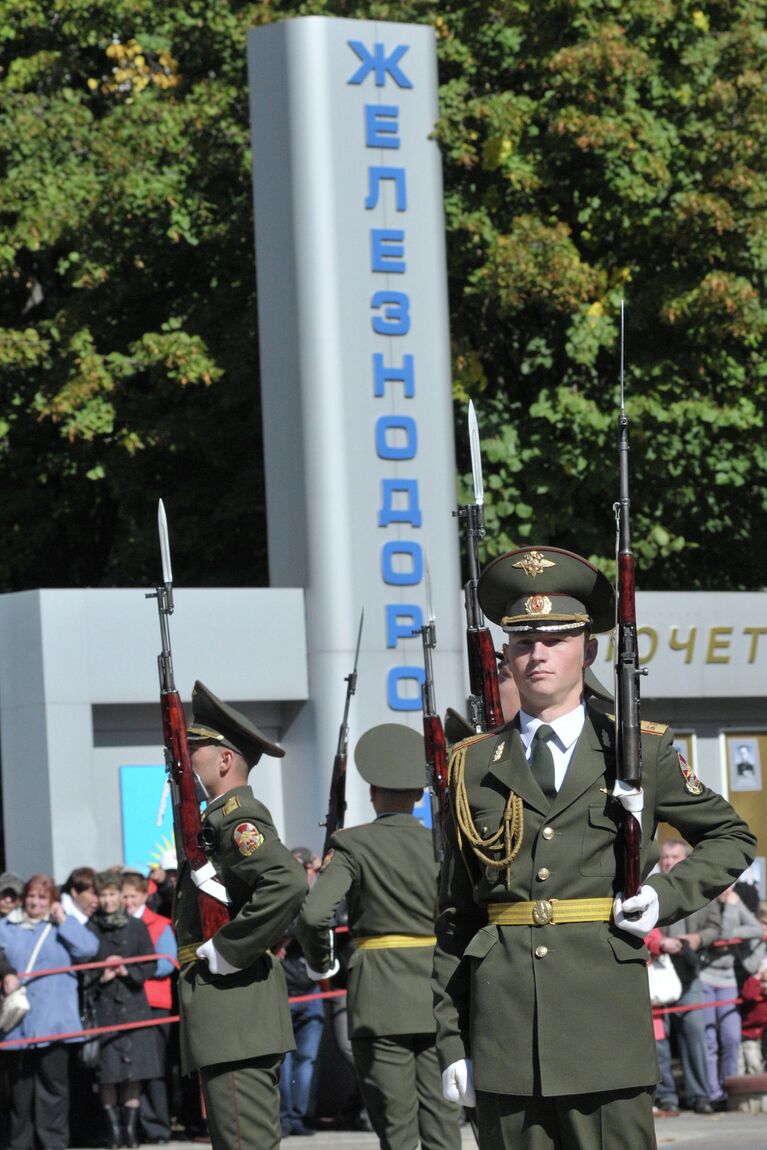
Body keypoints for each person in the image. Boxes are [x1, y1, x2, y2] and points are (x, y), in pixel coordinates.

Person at [433, 545, 757, 1150]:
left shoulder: (640, 750)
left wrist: (663, 897)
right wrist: (453, 1039)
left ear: (588, 647)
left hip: (603, 1031)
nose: (538, 655)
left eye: (555, 638)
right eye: (523, 641)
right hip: (504, 1034)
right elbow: (456, 915)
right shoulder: (473, 765)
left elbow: (733, 836)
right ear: (505, 652)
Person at [298, 723, 462, 1150]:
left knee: (396, 1128)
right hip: (438, 992)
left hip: (379, 997)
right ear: (419, 794)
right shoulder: (441, 844)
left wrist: (321, 963)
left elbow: (315, 914)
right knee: (444, 1127)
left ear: (372, 792)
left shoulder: (353, 845)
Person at [174, 681, 307, 1150]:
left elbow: (287, 881)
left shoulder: (235, 818)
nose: (186, 759)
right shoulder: (216, 820)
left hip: (234, 1008)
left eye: (196, 749)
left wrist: (230, 948)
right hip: (229, 1013)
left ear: (225, 759)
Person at [0, 873, 100, 1150]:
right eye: (31, 896)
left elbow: (89, 949)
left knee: (53, 1090)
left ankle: (52, 1143)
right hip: (16, 1024)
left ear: (53, 901)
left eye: (42, 897)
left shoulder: (62, 926)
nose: (34, 902)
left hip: (54, 1023)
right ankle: (21, 1144)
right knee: (19, 1093)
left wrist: (63, 920)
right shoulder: (5, 926)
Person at [87, 870, 161, 1149]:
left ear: (121, 896)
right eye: (103, 894)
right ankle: (114, 1132)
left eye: (112, 894)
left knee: (135, 1072)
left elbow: (151, 963)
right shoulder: (90, 929)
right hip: (104, 1005)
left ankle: (130, 1131)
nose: (107, 900)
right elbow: (82, 972)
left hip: (134, 1004)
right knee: (108, 1074)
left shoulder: (136, 926)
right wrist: (102, 976)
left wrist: (127, 970)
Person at [652, 838, 717, 1115]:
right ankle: (667, 1097)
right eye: (665, 857)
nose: (668, 862)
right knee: (660, 1040)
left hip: (689, 972)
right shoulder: (649, 889)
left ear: (685, 858)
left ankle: (699, 1095)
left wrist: (697, 937)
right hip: (657, 970)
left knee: (694, 1033)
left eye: (674, 857)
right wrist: (660, 943)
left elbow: (715, 926)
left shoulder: (700, 886)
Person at [121, 871, 178, 1144]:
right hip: (125, 1004)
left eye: (132, 896)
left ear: (144, 896)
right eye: (124, 896)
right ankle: (138, 1126)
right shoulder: (117, 924)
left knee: (154, 1070)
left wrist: (130, 969)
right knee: (131, 1071)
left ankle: (157, 1127)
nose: (127, 901)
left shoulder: (160, 924)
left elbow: (167, 962)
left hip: (154, 1004)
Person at [698, 884, 764, 1105]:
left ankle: (729, 1088)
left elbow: (756, 929)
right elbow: (721, 934)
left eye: (730, 885)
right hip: (705, 975)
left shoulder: (735, 901)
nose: (726, 889)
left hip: (728, 978)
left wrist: (733, 910)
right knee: (709, 1040)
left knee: (731, 1037)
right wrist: (729, 921)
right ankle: (713, 1093)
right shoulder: (706, 902)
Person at [277, 847, 325, 1137]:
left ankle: (298, 1117)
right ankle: (285, 1118)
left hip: (310, 989)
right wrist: (287, 935)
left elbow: (322, 920)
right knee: (286, 1061)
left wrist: (288, 936)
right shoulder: (279, 895)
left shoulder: (315, 896)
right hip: (283, 991)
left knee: (305, 1060)